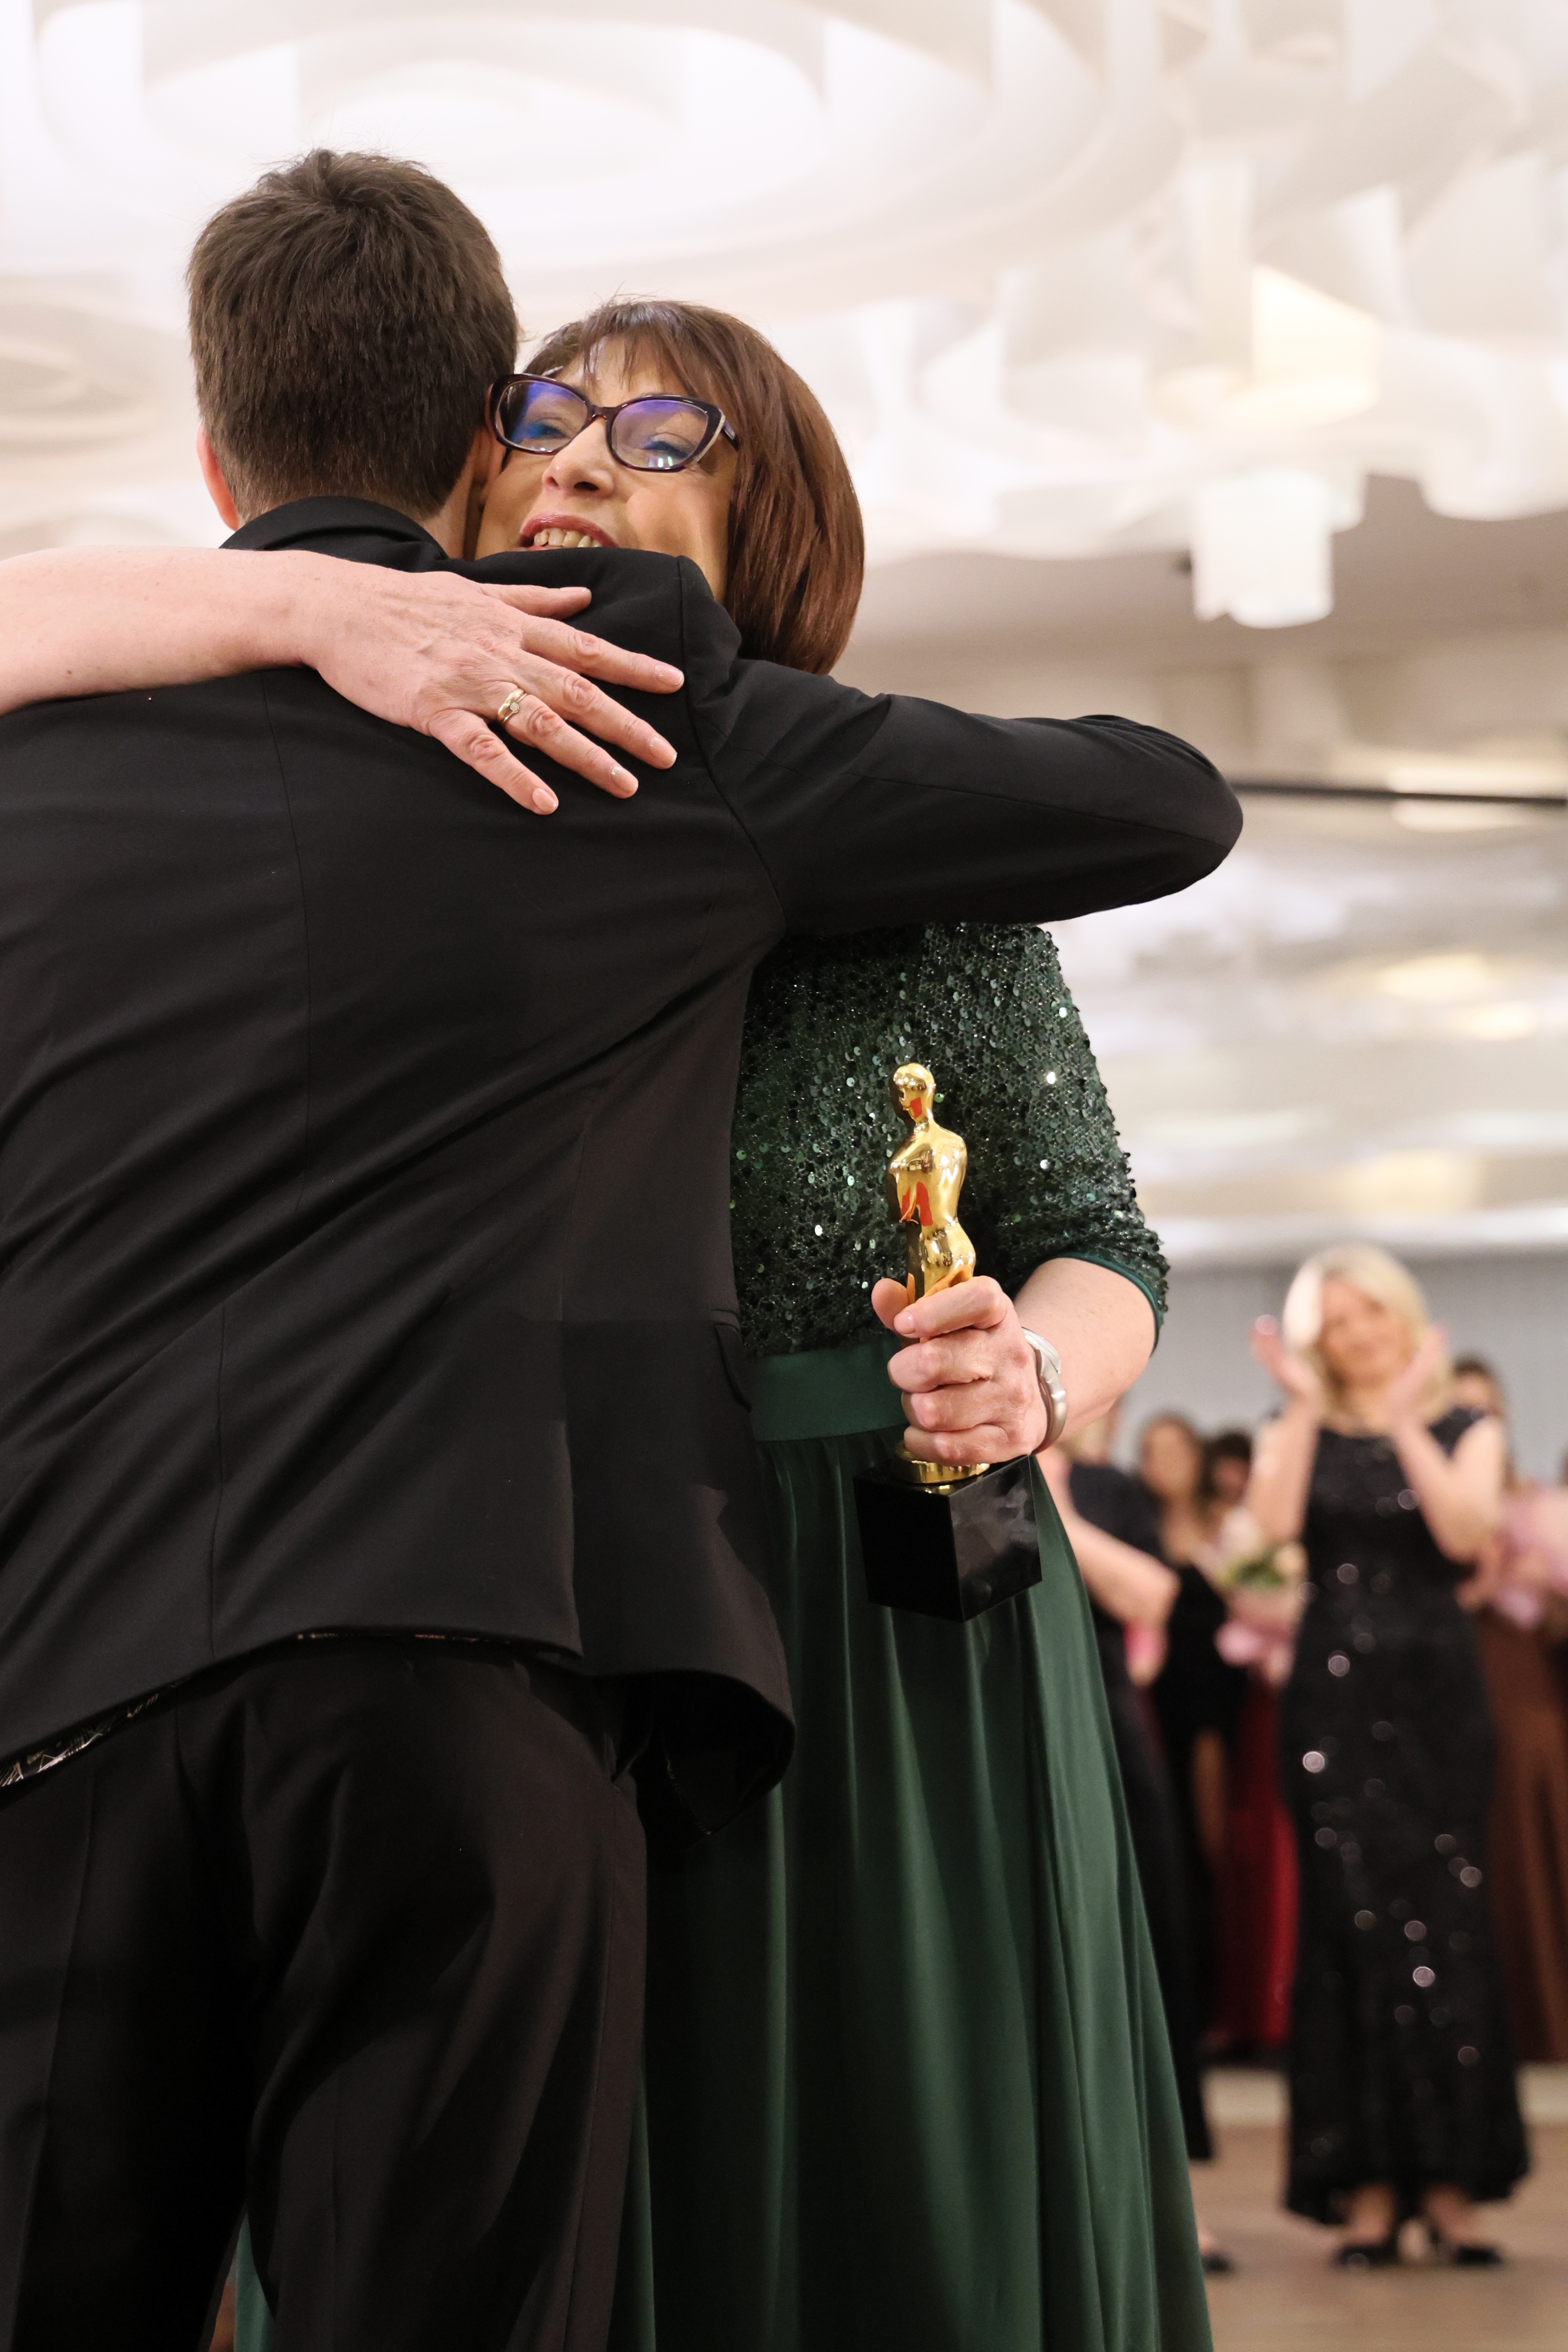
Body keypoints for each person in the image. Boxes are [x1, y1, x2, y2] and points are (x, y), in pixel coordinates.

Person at [0, 159, 1242, 2352]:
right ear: (472, 458)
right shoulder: (572, 756)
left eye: (659, 438)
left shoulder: (701, 751)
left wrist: (1037, 1365)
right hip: (501, 1636)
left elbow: (1097, 1189)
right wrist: (313, 613)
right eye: (553, 422)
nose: (585, 465)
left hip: (803, 1627)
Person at [1248, 1247, 1528, 2264]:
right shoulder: (1296, 1424)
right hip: (1331, 1703)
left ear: (1403, 1318)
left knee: (1447, 1921)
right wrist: (1300, 1407)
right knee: (1347, 1927)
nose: (1356, 1333)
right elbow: (1270, 1528)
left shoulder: (1466, 1426)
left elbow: (1463, 1533)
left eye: (1370, 1312)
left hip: (1437, 1701)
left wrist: (1405, 1417)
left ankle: (1451, 2186)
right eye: (1335, 1319)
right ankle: (1364, 2185)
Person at [1047, 1424, 1229, 2270]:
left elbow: (1149, 1597)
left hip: (1107, 1733)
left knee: (1141, 1955)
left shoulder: (1106, 1489)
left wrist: (1050, 1501)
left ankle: (1166, 2198)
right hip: (1000, 1730)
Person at [1452, 1357, 1568, 2062]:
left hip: (1524, 1690)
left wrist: (1539, 1588)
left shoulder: (1538, 1506)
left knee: (1531, 1831)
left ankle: (1544, 2017)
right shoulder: (1417, 1504)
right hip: (1443, 1689)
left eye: (1486, 1408)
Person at [1142, 1413, 1248, 2027]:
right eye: (1150, 1451)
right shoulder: (1138, 1524)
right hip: (1159, 1697)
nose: (1162, 1463)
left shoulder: (1227, 1524)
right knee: (1174, 1840)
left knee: (1218, 1839)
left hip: (1218, 1699)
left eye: (1174, 1450)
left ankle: (1229, 1994)